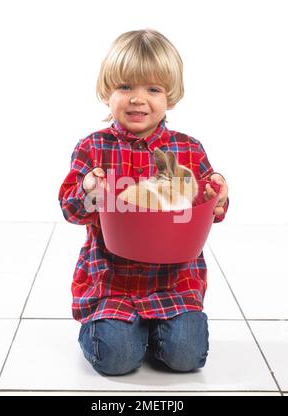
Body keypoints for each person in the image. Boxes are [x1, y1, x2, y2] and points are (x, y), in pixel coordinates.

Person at [58, 29, 229, 376]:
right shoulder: (93, 148)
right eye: (125, 87)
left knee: (186, 357)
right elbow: (70, 209)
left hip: (173, 282)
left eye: (152, 89)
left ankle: (156, 329)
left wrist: (217, 196)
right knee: (118, 360)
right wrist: (90, 186)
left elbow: (207, 210)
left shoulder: (189, 149)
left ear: (171, 97)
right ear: (107, 93)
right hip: (112, 281)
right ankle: (115, 329)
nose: (138, 99)